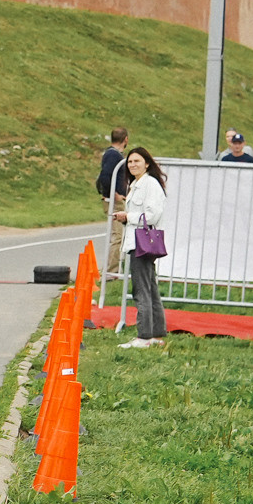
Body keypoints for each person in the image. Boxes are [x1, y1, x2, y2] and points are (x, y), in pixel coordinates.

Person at [113, 146, 169, 348]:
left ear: (147, 163)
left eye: (137, 161)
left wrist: (128, 216)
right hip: (138, 241)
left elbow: (152, 215)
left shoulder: (150, 184)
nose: (132, 164)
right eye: (129, 161)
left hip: (141, 243)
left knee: (141, 290)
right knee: (150, 288)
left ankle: (144, 336)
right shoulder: (137, 184)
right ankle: (155, 333)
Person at [96, 126, 131, 278]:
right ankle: (111, 272)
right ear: (126, 139)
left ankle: (112, 269)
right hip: (114, 201)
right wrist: (113, 193)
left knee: (119, 235)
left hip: (115, 199)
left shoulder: (112, 154)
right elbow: (105, 176)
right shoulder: (113, 155)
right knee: (117, 236)